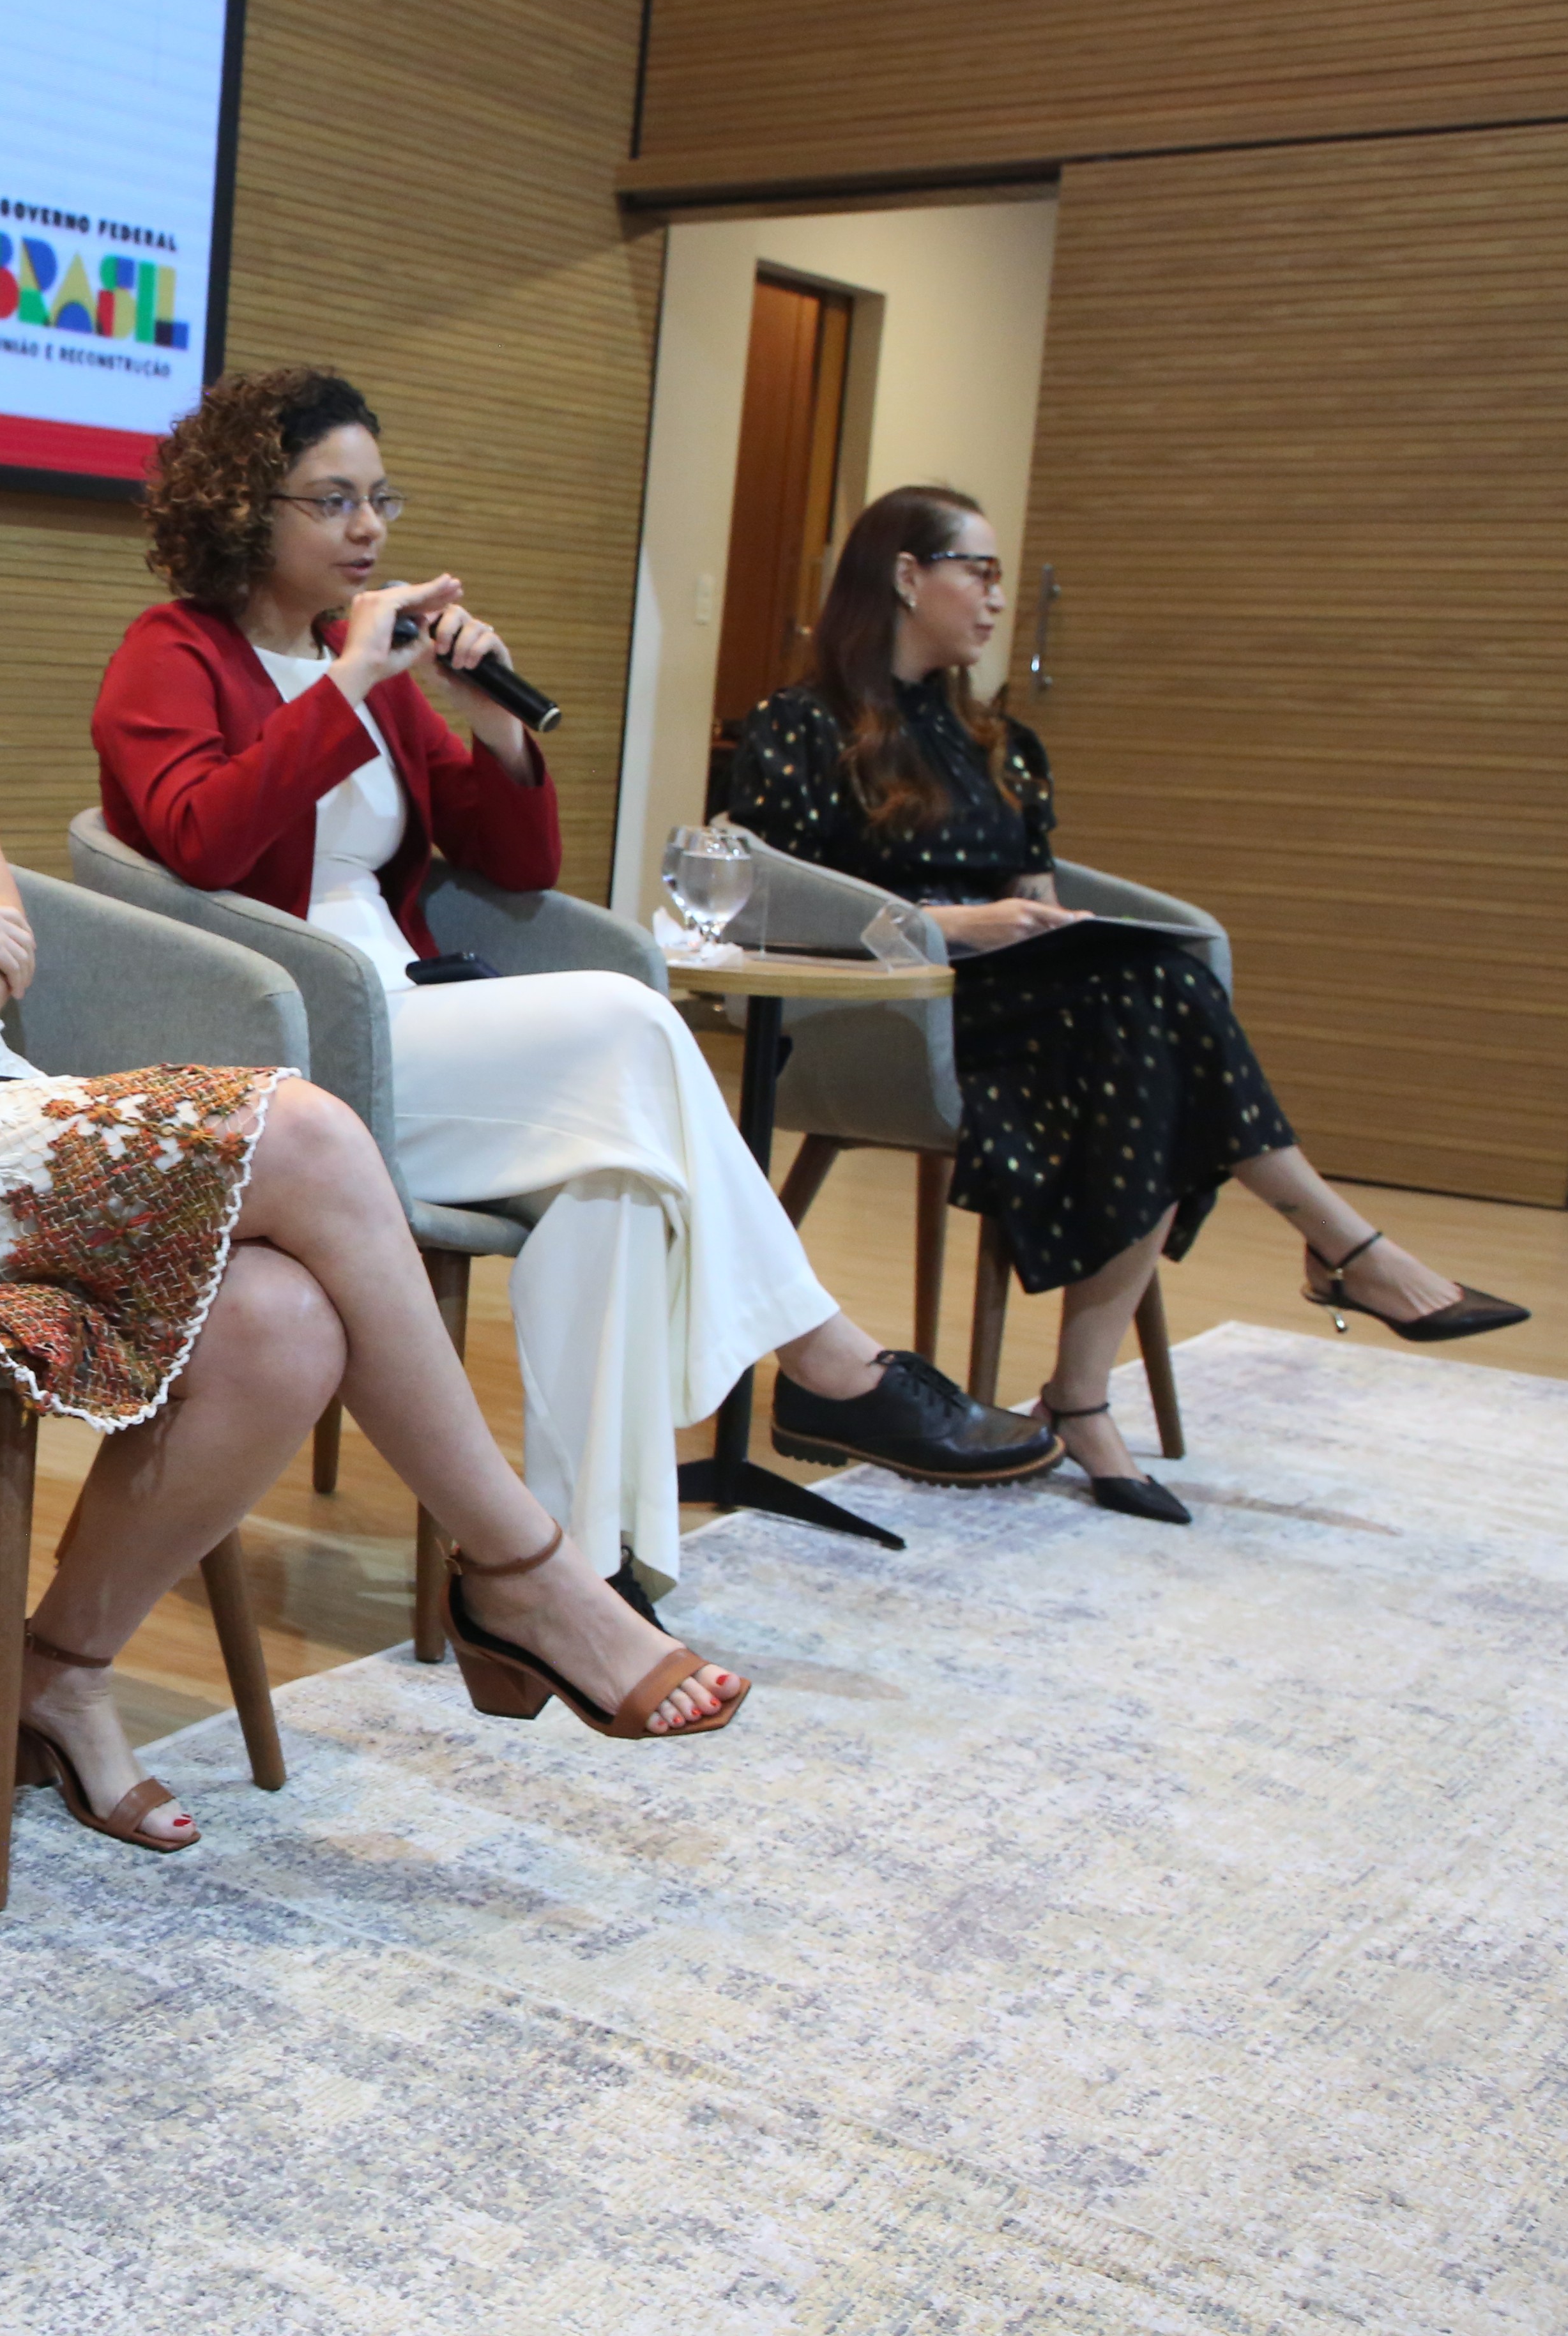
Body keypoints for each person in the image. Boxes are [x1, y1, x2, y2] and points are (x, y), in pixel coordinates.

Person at [0, 291, 760, 1842]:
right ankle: (525, 1574)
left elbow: (1, 920)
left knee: (286, 1323)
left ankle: (60, 1671)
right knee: (308, 1133)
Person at [91, 369, 1055, 1589]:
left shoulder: (362, 667)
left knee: (618, 1186)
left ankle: (580, 1573)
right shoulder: (173, 654)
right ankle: (825, 1361)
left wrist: (487, 720)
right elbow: (200, 840)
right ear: (244, 508)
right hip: (292, 1048)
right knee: (627, 1021)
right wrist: (347, 689)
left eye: (381, 498)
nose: (369, 528)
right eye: (333, 502)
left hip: (414, 1019)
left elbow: (517, 864)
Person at [727, 484, 1528, 1523]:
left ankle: (1100, 1387)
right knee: (1156, 1022)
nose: (998, 598)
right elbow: (769, 906)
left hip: (1032, 1006)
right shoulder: (800, 729)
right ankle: (1330, 1256)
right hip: (886, 1013)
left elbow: (1038, 894)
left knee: (1154, 1007)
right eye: (981, 571)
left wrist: (1046, 925)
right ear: (907, 576)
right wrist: (957, 925)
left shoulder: (1001, 744)